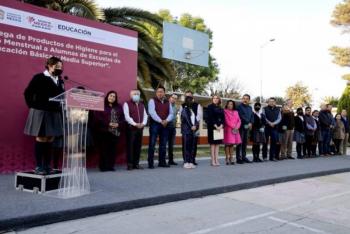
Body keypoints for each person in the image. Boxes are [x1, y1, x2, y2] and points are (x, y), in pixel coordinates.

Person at [24, 56, 65, 175]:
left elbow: (62, 95)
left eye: (61, 66)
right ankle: (39, 166)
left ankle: (47, 165)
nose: (60, 68)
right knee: (41, 138)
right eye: (58, 66)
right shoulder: (39, 77)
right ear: (50, 65)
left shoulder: (60, 80)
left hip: (55, 112)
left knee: (50, 138)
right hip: (41, 112)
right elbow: (28, 93)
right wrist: (34, 106)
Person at [92, 91, 124, 171]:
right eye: (111, 96)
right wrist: (108, 123)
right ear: (107, 96)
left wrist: (118, 124)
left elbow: (122, 119)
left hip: (115, 131)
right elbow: (97, 118)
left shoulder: (119, 106)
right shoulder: (101, 105)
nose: (112, 97)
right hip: (104, 131)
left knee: (112, 150)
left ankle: (110, 166)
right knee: (103, 149)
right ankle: (103, 166)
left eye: (114, 96)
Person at [148, 86, 174, 169]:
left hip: (165, 125)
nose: (160, 93)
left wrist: (166, 120)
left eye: (161, 91)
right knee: (152, 144)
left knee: (163, 144)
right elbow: (152, 112)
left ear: (164, 93)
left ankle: (162, 162)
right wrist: (161, 121)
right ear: (156, 93)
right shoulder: (152, 100)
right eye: (158, 91)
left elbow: (171, 113)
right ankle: (150, 163)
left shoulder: (168, 102)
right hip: (155, 124)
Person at [123, 89, 148, 170]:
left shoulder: (141, 104)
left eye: (137, 94)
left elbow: (145, 115)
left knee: (138, 146)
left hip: (140, 128)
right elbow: (127, 116)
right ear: (131, 95)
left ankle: (136, 164)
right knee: (130, 146)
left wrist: (143, 123)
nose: (136, 95)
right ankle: (130, 164)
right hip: (131, 128)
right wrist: (135, 124)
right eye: (134, 94)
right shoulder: (127, 104)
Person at [181, 90, 203, 165]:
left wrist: (194, 125)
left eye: (190, 96)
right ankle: (186, 160)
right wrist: (190, 125)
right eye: (187, 96)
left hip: (195, 128)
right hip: (186, 129)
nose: (188, 97)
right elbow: (182, 117)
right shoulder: (182, 106)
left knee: (194, 144)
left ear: (192, 97)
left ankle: (192, 160)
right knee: (185, 145)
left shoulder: (197, 105)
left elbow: (199, 116)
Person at [206, 95, 224, 166]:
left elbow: (223, 118)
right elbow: (210, 117)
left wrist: (221, 125)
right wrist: (215, 126)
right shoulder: (210, 107)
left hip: (220, 127)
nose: (215, 99)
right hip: (212, 127)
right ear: (212, 99)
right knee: (213, 144)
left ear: (219, 100)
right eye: (214, 98)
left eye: (217, 98)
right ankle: (213, 160)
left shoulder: (220, 108)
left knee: (217, 145)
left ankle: (217, 160)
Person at [236, 94, 254, 164]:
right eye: (244, 98)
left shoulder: (250, 108)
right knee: (239, 143)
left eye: (247, 98)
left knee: (245, 143)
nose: (245, 100)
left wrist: (251, 123)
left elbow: (252, 116)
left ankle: (244, 157)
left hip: (247, 128)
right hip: (241, 127)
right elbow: (240, 116)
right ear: (242, 99)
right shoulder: (239, 107)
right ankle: (238, 158)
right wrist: (248, 122)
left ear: (249, 100)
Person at [223, 100, 241, 165]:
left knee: (232, 144)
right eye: (229, 104)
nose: (230, 105)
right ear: (227, 105)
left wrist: (237, 127)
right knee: (227, 144)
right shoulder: (224, 111)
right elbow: (226, 121)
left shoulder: (236, 112)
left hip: (235, 130)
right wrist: (234, 127)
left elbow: (239, 120)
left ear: (233, 105)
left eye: (231, 104)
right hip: (228, 129)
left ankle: (231, 158)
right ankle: (227, 158)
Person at [167, 94, 178, 166]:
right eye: (172, 98)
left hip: (173, 127)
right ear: (169, 98)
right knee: (164, 144)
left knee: (171, 144)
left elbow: (175, 116)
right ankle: (162, 160)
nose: (174, 99)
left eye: (175, 98)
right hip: (166, 126)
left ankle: (171, 160)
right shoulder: (166, 105)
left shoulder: (176, 107)